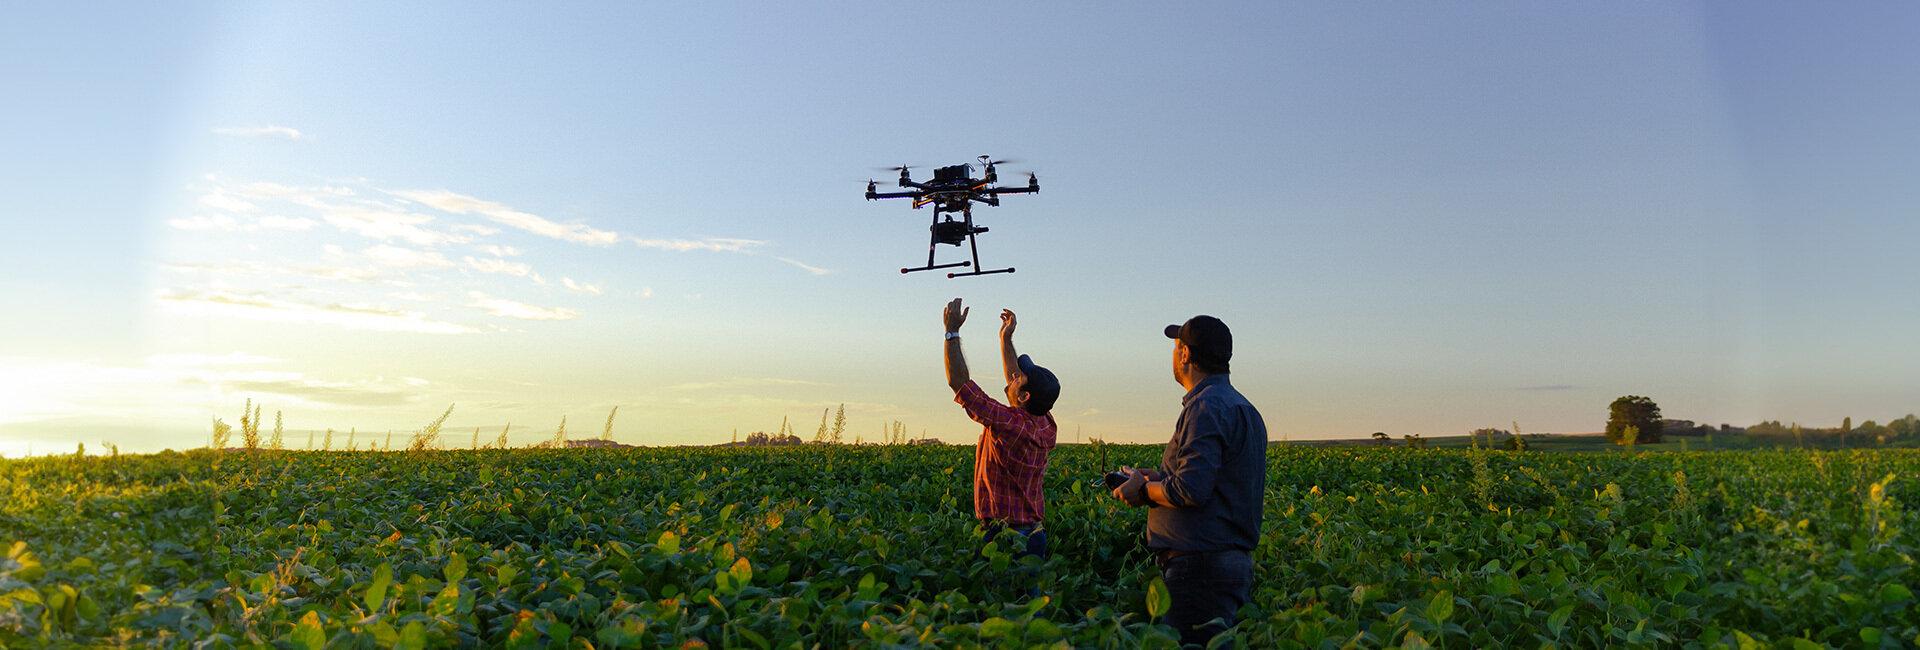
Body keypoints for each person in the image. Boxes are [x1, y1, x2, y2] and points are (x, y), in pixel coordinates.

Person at [1111, 315, 1267, 647]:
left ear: (1185, 354)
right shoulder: (1244, 408)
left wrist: (1143, 490)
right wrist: (1157, 478)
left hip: (1200, 568)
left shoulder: (1205, 406)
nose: (1173, 355)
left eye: (1176, 347)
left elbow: (1190, 489)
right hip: (1225, 564)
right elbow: (1215, 480)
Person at [942, 297, 1061, 561]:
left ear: (1025, 396)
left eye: (1020, 376)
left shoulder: (1010, 424)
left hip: (1005, 538)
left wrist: (952, 333)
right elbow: (1015, 386)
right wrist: (1005, 339)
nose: (1014, 375)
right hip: (1033, 535)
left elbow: (959, 383)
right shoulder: (1046, 424)